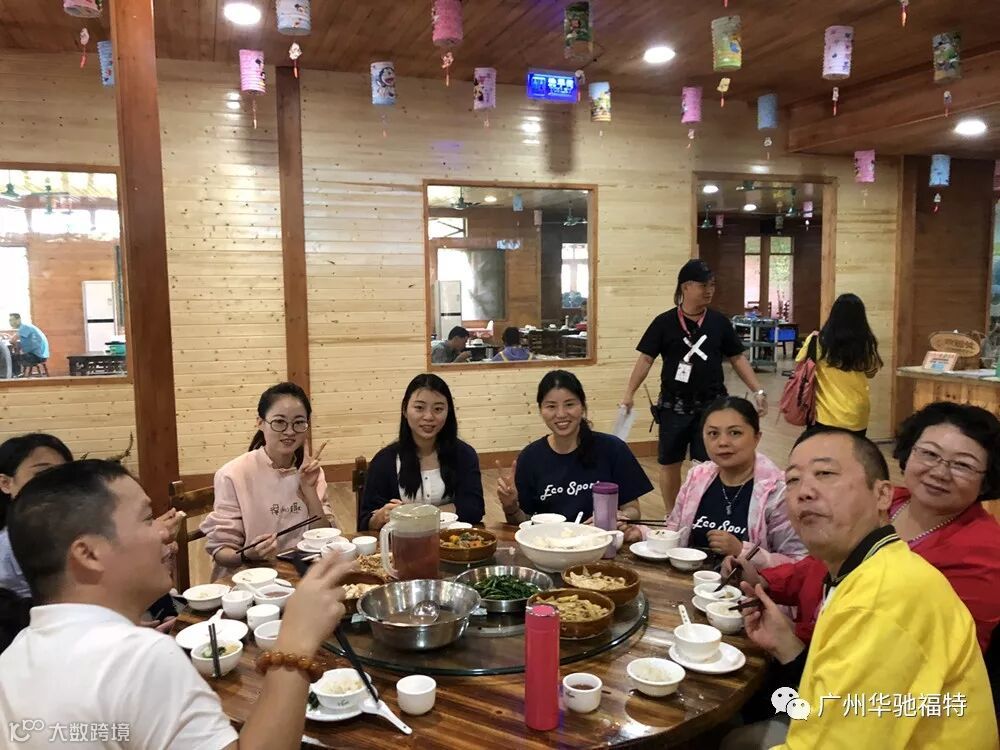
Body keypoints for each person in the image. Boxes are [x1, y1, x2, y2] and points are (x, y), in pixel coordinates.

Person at [0, 459, 353, 749]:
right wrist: (295, 644)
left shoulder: (14, 657)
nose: (162, 531)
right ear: (89, 553)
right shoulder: (137, 657)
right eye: (146, 518)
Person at [729, 429, 996, 749]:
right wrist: (787, 646)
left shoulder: (885, 598)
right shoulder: (866, 566)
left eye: (825, 473)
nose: (804, 492)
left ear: (883, 495)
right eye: (793, 480)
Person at [727, 401, 1000, 652]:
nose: (939, 472)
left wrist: (795, 641)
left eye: (963, 465)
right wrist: (764, 580)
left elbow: (932, 650)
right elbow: (820, 566)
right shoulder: (890, 501)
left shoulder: (984, 552)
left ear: (987, 478)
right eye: (929, 454)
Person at [620, 259, 767, 514]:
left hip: (712, 406)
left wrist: (758, 390)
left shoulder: (719, 322)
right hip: (673, 405)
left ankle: (706, 513)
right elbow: (646, 359)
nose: (709, 290)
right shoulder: (664, 322)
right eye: (703, 285)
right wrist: (629, 393)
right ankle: (672, 515)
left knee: (710, 462)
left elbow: (737, 358)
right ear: (686, 287)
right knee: (669, 462)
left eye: (712, 285)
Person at [622, 397, 806, 567]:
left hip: (745, 588)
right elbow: (676, 532)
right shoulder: (697, 478)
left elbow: (798, 563)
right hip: (691, 581)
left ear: (757, 437)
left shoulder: (778, 492)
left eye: (735, 433)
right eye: (713, 433)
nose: (723, 442)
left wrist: (741, 551)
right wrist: (642, 534)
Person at [201, 383, 335, 580]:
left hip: (299, 574)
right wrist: (248, 554)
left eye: (299, 422)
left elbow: (322, 536)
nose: (290, 431)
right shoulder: (233, 474)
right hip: (248, 578)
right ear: (260, 422)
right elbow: (221, 552)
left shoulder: (310, 471)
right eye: (279, 422)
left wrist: (309, 489)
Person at [498, 370, 653, 524]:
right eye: (551, 406)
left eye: (569, 404)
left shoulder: (612, 448)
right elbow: (523, 523)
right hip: (550, 539)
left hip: (601, 537)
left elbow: (633, 510)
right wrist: (510, 507)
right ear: (540, 410)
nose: (561, 414)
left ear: (583, 406)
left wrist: (616, 517)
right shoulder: (530, 457)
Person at [360, 374, 485, 531]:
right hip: (402, 542)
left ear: (448, 412)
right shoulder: (384, 461)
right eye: (419, 408)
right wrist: (378, 517)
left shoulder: (464, 454)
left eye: (438, 409)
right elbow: (365, 522)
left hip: (451, 541)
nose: (428, 417)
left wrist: (413, 514)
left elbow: (473, 509)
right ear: (405, 410)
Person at [0, 434, 75, 599]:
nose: (57, 483)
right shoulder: (5, 545)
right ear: (5, 483)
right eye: (42, 474)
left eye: (64, 474)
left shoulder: (82, 525)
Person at [796, 293, 882, 435]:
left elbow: (800, 365)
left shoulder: (817, 340)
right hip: (857, 414)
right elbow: (871, 372)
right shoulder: (866, 342)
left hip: (825, 412)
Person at [7, 313, 49, 377]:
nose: (10, 323)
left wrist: (11, 339)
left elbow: (12, 341)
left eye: (12, 320)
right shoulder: (27, 326)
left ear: (19, 319)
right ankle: (18, 375)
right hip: (42, 355)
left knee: (10, 357)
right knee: (16, 356)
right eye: (9, 320)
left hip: (36, 357)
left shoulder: (24, 327)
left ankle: (14, 377)